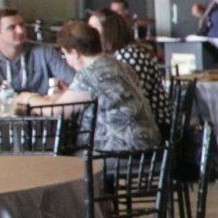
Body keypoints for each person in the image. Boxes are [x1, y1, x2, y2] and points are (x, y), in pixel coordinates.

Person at [49, 19, 163, 152]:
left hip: (115, 154)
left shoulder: (88, 74)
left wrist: (28, 98)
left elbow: (55, 111)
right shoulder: (121, 65)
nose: (66, 60)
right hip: (150, 150)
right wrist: (68, 93)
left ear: (75, 53)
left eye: (64, 54)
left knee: (64, 163)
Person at [90, 8, 170, 135]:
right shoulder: (119, 55)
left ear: (109, 31)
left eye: (94, 29)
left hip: (149, 126)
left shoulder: (130, 55)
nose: (90, 34)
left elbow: (129, 97)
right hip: (133, 123)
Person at [0, 7, 69, 98]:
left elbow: (75, 81)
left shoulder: (45, 53)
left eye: (21, 25)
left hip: (42, 115)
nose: (20, 31)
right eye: (12, 27)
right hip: (0, 117)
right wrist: (4, 97)